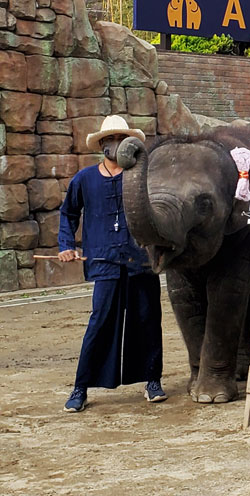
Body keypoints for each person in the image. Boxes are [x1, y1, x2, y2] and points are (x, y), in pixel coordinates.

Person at [58, 115, 165, 412]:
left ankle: (152, 380)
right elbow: (68, 213)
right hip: (104, 262)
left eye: (118, 140)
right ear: (101, 145)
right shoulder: (84, 179)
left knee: (147, 320)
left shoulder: (143, 177)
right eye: (108, 140)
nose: (113, 145)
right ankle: (80, 388)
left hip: (141, 262)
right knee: (100, 322)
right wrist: (66, 245)